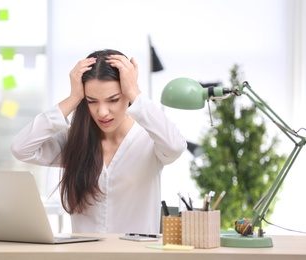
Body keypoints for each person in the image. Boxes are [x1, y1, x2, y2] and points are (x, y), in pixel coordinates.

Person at [11, 49, 187, 233]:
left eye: (113, 100)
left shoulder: (150, 140)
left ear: (127, 95)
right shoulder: (74, 141)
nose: (102, 112)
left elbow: (175, 146)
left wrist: (135, 91)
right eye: (92, 101)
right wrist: (73, 98)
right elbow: (21, 148)